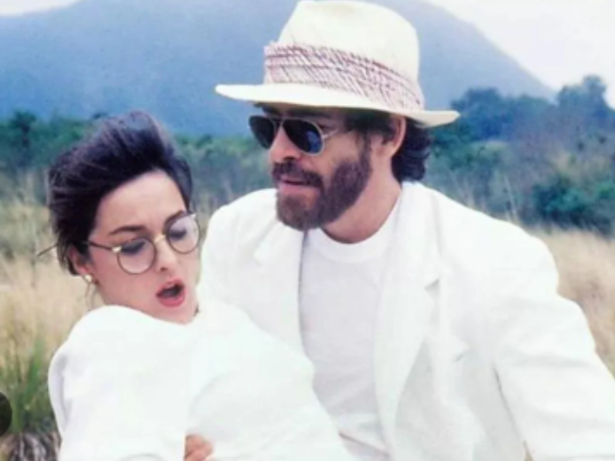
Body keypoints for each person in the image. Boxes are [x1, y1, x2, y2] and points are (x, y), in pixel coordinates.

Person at [194, 1, 615, 461]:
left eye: (306, 131)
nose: (278, 151)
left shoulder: (495, 264)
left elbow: (588, 437)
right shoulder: (239, 236)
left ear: (388, 136)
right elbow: (207, 399)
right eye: (267, 125)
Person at [46, 111, 356, 461]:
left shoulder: (224, 317)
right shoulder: (107, 343)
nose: (167, 259)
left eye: (178, 231)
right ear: (83, 261)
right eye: (133, 247)